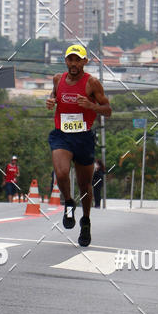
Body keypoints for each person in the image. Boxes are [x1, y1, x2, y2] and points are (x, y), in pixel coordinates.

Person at [46, 44, 111, 247]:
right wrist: (50, 100)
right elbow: (54, 94)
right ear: (66, 61)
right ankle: (68, 202)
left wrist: (91, 106)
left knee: (85, 185)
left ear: (84, 62)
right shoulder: (58, 79)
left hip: (83, 137)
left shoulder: (92, 83)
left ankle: (86, 221)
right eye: (70, 59)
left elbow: (108, 110)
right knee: (62, 173)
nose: (73, 64)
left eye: (77, 60)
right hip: (62, 135)